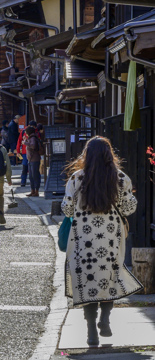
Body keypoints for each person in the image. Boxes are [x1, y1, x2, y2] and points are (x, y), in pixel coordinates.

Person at [62, 137, 140, 346]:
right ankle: (105, 319)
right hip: (111, 236)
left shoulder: (77, 178)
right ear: (109, 155)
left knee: (88, 279)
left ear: (86, 155)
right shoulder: (121, 179)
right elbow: (128, 208)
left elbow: (67, 209)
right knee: (109, 275)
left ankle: (90, 332)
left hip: (82, 239)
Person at [25, 124, 43, 197]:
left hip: (34, 159)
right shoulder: (31, 137)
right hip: (31, 159)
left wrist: (25, 143)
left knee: (35, 175)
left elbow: (33, 146)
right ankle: (33, 190)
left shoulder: (33, 138)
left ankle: (36, 191)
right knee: (31, 176)